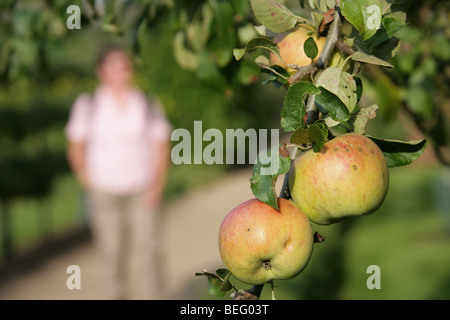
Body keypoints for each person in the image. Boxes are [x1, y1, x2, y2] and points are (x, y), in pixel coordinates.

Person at [65, 45, 171, 300]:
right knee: (111, 256)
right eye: (115, 65)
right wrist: (86, 180)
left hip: (141, 189)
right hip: (105, 193)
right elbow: (76, 145)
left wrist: (157, 184)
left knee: (149, 254)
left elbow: (160, 144)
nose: (122, 70)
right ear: (101, 71)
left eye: (125, 65)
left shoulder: (145, 102)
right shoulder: (88, 104)